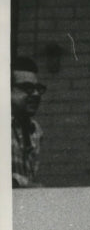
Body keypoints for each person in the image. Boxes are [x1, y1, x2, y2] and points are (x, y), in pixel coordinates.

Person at [11, 56, 46, 188]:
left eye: (38, 88)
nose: (36, 94)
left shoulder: (36, 130)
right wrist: (27, 184)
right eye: (28, 88)